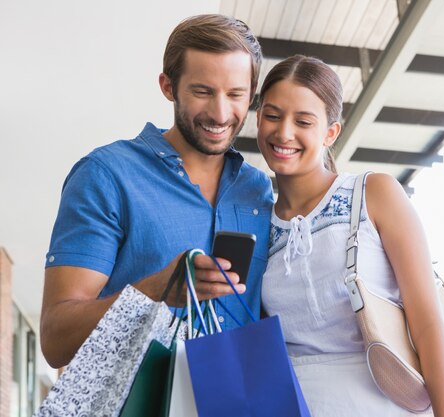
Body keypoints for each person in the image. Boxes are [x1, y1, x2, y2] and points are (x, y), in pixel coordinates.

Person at [41, 14, 274, 368]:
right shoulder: (107, 175)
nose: (220, 112)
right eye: (202, 91)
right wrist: (155, 291)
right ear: (168, 86)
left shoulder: (258, 191)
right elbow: (55, 340)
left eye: (236, 94)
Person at [256, 55, 444, 416]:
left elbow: (429, 324)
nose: (284, 132)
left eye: (303, 121)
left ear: (330, 132)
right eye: (272, 115)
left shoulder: (374, 193)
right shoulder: (257, 224)